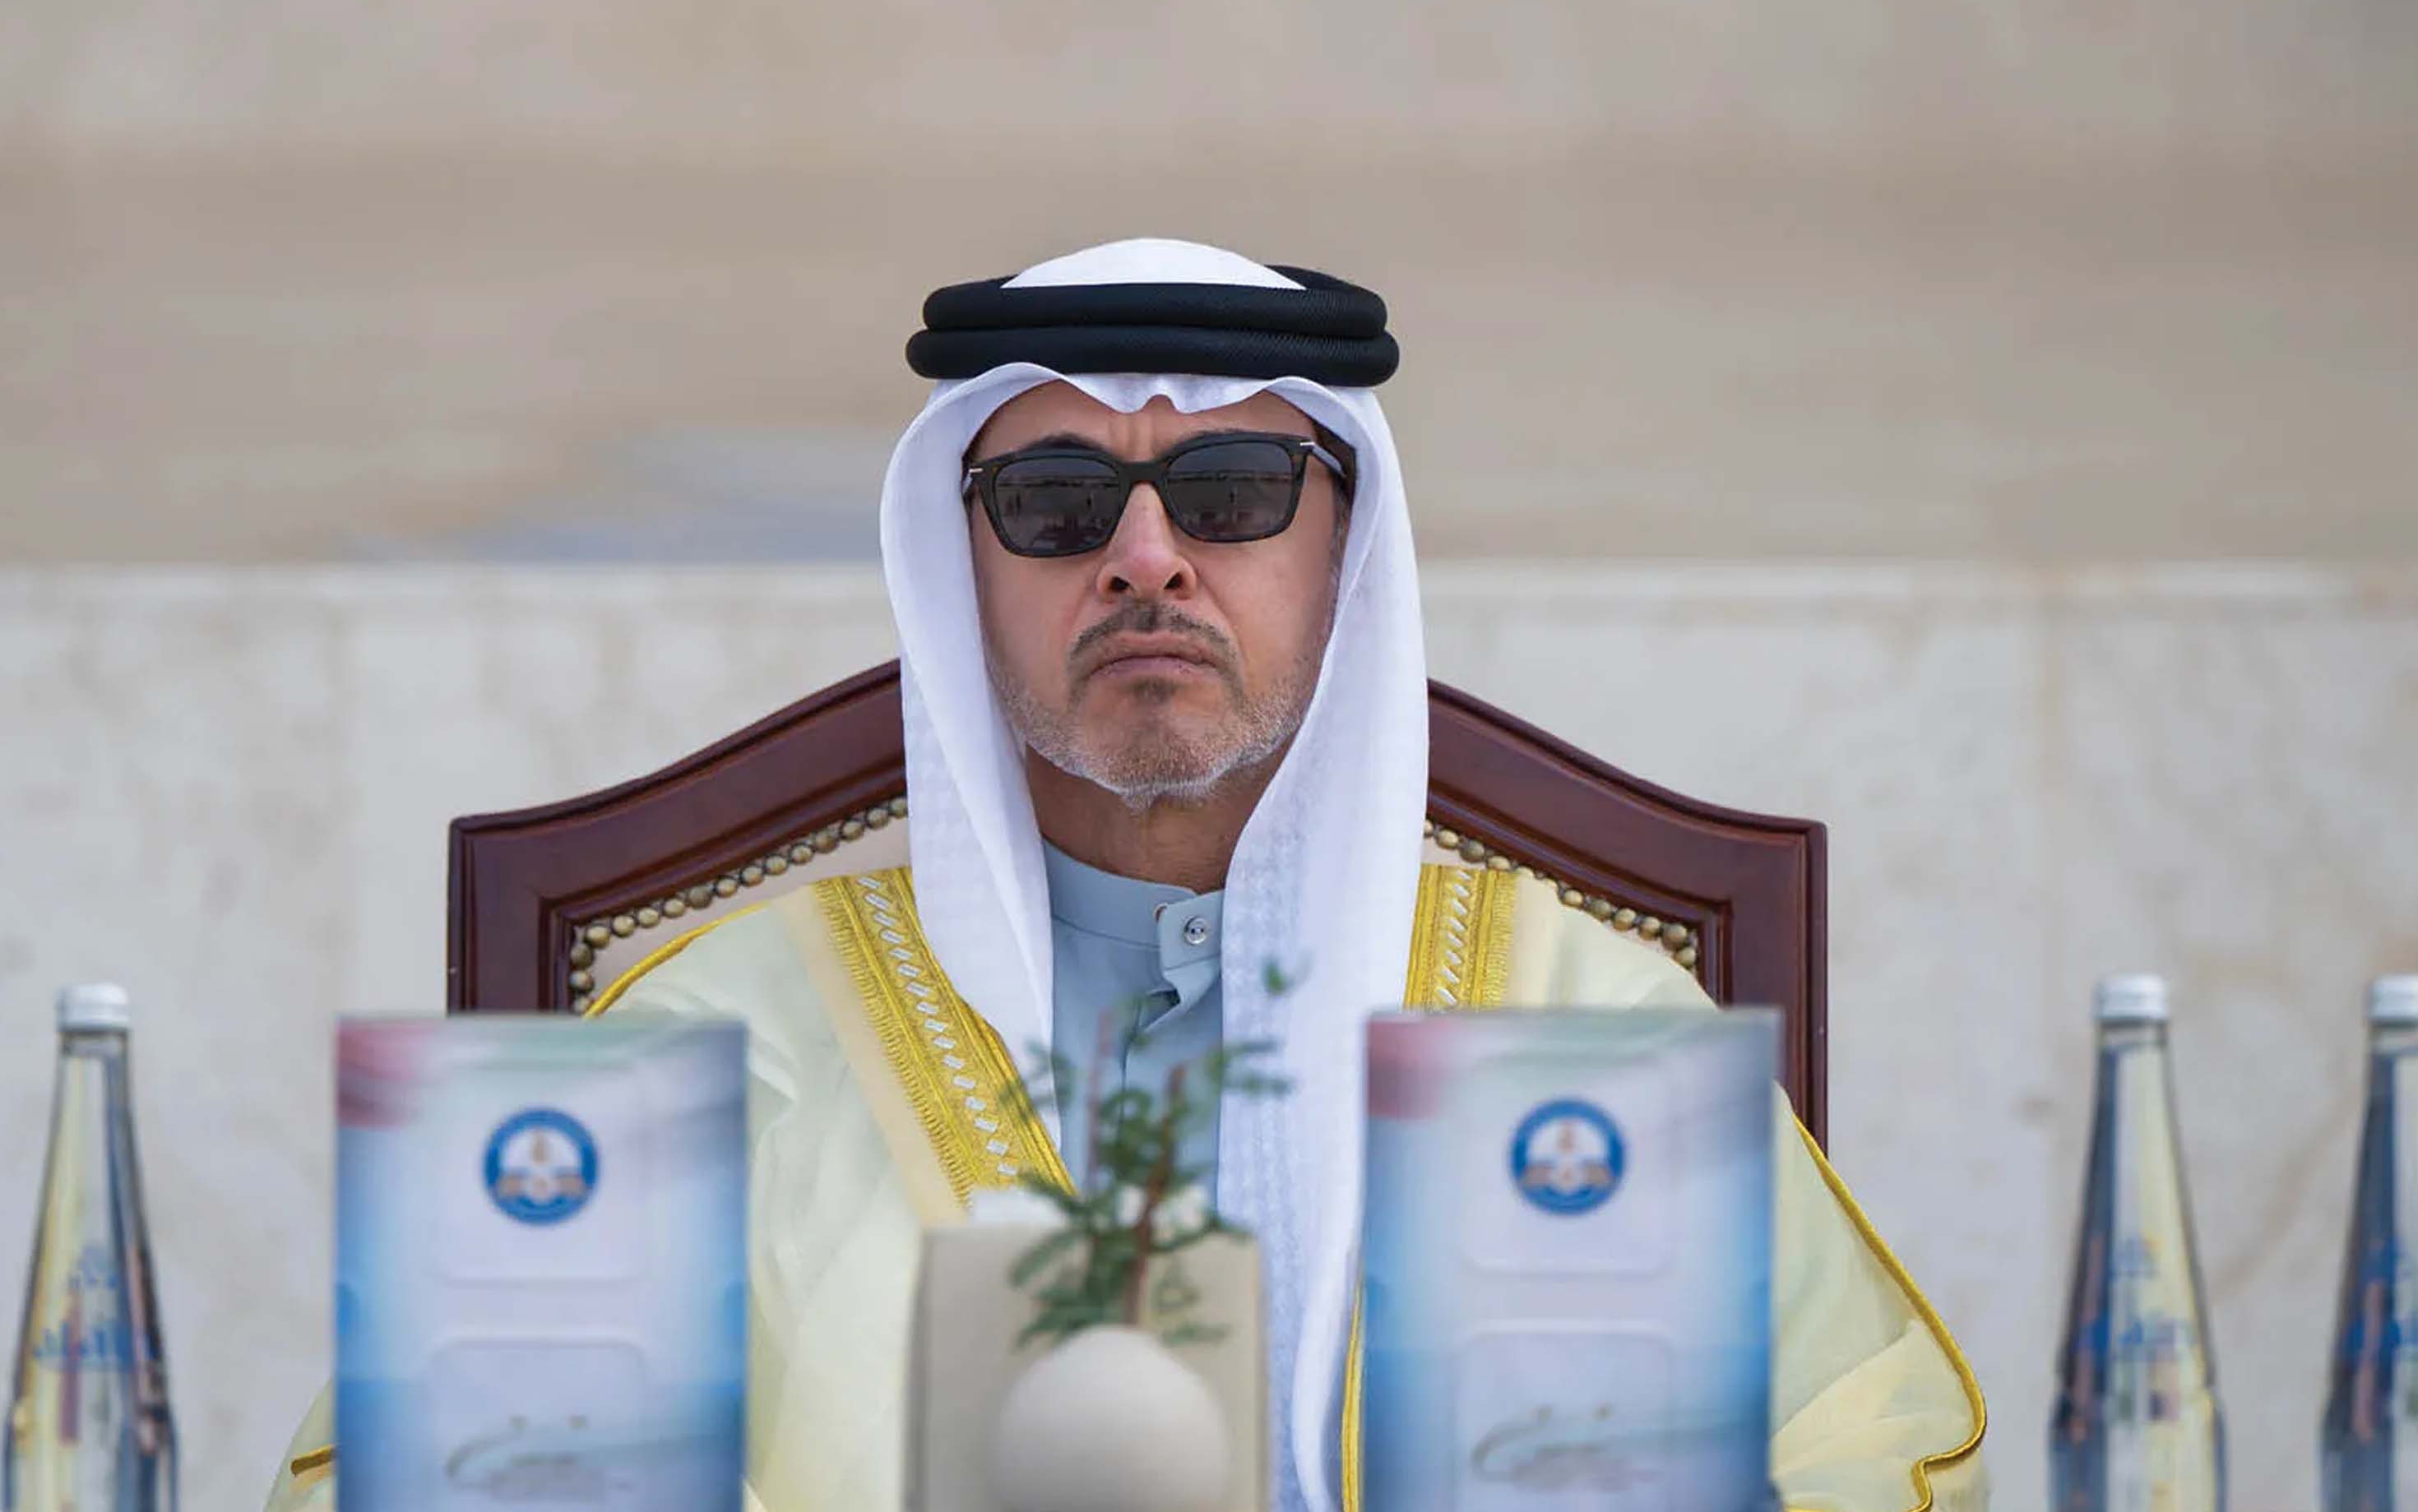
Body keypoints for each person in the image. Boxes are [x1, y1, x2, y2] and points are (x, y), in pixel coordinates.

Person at [267, 238, 1986, 1512]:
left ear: (1346, 551)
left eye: (1231, 490)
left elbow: (1869, 1455)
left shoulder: (1588, 1025)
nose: (1144, 558)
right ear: (962, 567)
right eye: (1055, 500)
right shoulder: (714, 1048)